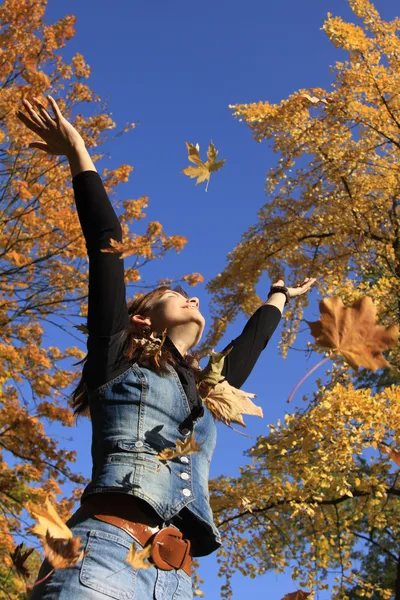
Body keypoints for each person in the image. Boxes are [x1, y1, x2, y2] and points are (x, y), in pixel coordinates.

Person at [17, 96, 316, 600]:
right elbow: (105, 243)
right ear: (139, 318)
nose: (193, 296)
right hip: (102, 556)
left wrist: (279, 296)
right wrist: (78, 153)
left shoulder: (204, 390)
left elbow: (251, 346)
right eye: (178, 295)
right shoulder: (114, 361)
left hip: (176, 582)